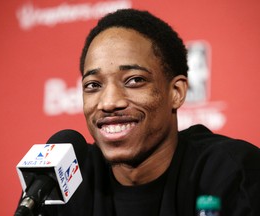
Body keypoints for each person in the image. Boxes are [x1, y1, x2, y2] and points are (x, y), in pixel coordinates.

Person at [39, 8, 260, 216]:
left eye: (134, 80)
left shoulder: (229, 172)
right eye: (93, 85)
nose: (109, 102)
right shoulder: (63, 182)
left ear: (176, 92)